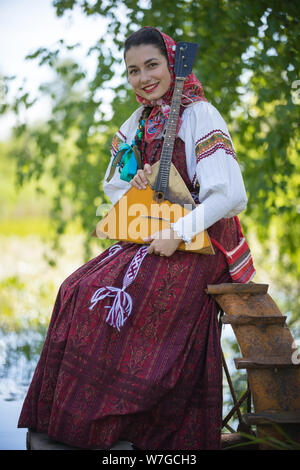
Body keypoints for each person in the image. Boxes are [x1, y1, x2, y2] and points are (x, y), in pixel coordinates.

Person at [18, 26, 255, 450]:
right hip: (152, 232)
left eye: (152, 65)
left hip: (202, 242)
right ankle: (84, 423)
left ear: (171, 64)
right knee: (77, 288)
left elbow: (231, 195)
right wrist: (139, 180)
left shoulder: (200, 114)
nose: (144, 77)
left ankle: (136, 423)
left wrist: (178, 231)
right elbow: (113, 186)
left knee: (130, 296)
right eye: (133, 70)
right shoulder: (139, 121)